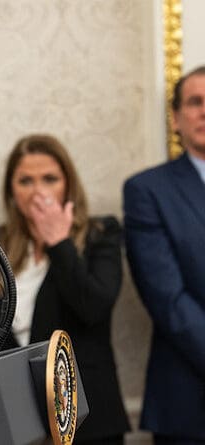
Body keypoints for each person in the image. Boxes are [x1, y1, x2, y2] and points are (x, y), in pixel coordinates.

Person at [0, 134, 129, 444]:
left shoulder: (102, 233)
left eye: (50, 179)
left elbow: (93, 308)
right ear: (11, 191)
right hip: (16, 417)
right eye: (25, 181)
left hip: (89, 416)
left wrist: (59, 243)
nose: (38, 191)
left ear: (68, 184)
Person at [123, 66, 205, 444]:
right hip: (189, 404)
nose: (204, 111)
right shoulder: (147, 191)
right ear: (176, 118)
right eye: (195, 102)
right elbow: (167, 299)